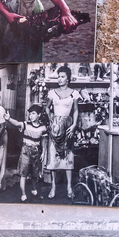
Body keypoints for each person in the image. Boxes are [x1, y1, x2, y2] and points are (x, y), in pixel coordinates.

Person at [44, 66, 78, 199]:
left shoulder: (74, 93)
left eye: (62, 76)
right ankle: (53, 187)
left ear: (68, 79)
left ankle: (69, 187)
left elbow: (75, 110)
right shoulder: (52, 92)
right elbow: (47, 108)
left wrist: (74, 124)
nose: (59, 79)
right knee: (54, 157)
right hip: (55, 127)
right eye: (58, 76)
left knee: (68, 156)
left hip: (68, 126)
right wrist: (51, 119)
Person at [6, 104, 47, 202]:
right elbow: (17, 123)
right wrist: (9, 119)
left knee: (34, 174)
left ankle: (34, 191)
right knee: (23, 174)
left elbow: (44, 140)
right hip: (25, 151)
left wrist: (44, 152)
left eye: (33, 114)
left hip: (36, 152)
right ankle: (23, 195)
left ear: (39, 115)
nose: (31, 116)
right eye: (30, 114)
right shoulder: (26, 124)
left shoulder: (43, 127)